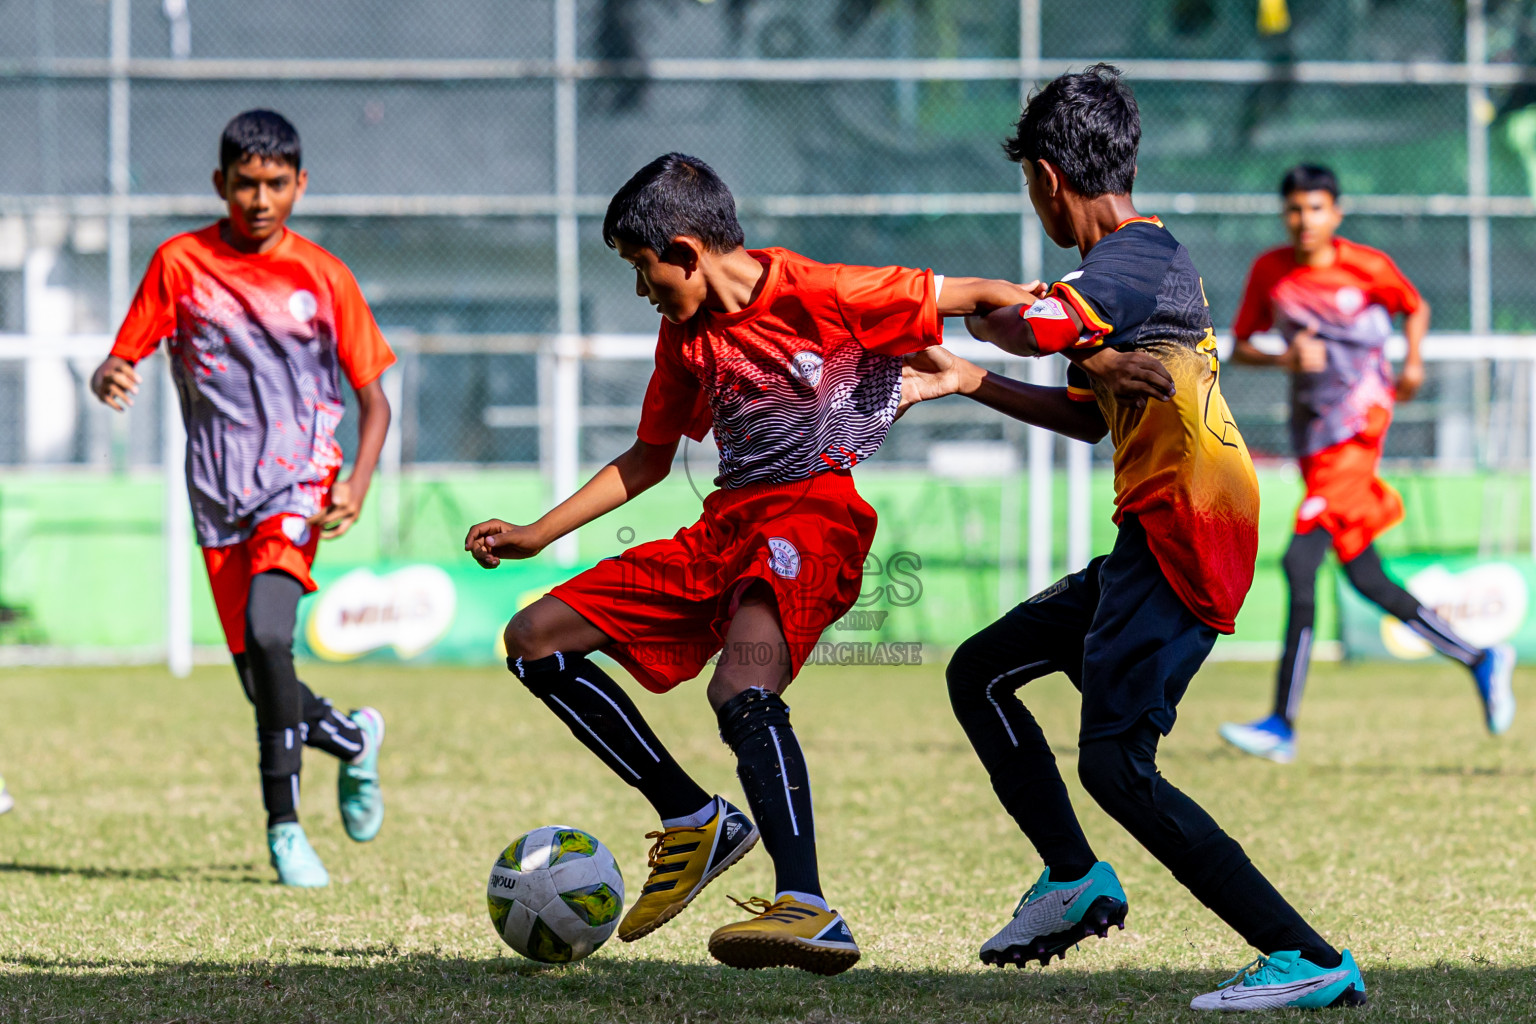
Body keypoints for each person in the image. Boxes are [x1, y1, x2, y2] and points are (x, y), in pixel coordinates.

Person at [465, 151, 1165, 975]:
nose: (642, 289)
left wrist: (1098, 357)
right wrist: (539, 535)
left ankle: (808, 904)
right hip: (723, 526)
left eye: (641, 269)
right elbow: (649, 459)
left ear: (686, 252)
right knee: (533, 637)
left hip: (814, 515)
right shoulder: (684, 336)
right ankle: (693, 818)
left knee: (742, 684)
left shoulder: (822, 291)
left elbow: (987, 296)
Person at [900, 66, 1367, 1010]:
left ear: (1045, 176)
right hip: (1151, 540)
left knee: (1115, 765)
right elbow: (1084, 412)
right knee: (978, 672)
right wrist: (967, 382)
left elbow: (1036, 325)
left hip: (1185, 540)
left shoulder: (1131, 261)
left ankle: (1304, 955)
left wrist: (930, 307)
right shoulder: (1132, 275)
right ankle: (1074, 879)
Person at [90, 110, 391, 888]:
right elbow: (123, 353)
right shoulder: (180, 263)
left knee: (268, 633)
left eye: (276, 184)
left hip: (299, 481)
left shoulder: (323, 277)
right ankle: (355, 740)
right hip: (218, 493)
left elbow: (375, 401)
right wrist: (111, 373)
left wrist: (354, 482)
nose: (261, 199)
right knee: (260, 678)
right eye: (246, 184)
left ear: (300, 185)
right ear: (220, 183)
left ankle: (285, 830)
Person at [1218, 164, 1515, 764]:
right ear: (1285, 214)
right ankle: (1481, 658)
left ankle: (1281, 723)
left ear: (1337, 212)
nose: (1306, 221)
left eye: (1317, 208)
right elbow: (1240, 346)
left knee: (1301, 560)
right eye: (1296, 210)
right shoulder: (1270, 272)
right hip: (1314, 438)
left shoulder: (1369, 267)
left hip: (1359, 432)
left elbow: (1415, 307)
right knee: (1366, 578)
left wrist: (1413, 364)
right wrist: (1283, 359)